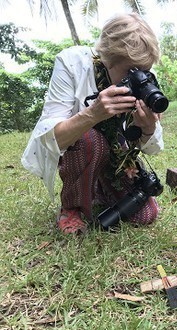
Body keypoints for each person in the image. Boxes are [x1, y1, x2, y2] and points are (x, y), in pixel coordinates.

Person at [21, 13, 165, 234]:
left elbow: (151, 148)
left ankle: (99, 187)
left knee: (145, 215)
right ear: (108, 58)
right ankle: (73, 206)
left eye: (145, 70)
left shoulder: (142, 77)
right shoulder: (71, 62)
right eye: (131, 71)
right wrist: (93, 114)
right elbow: (52, 139)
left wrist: (148, 128)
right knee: (90, 139)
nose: (139, 76)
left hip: (117, 151)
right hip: (80, 147)